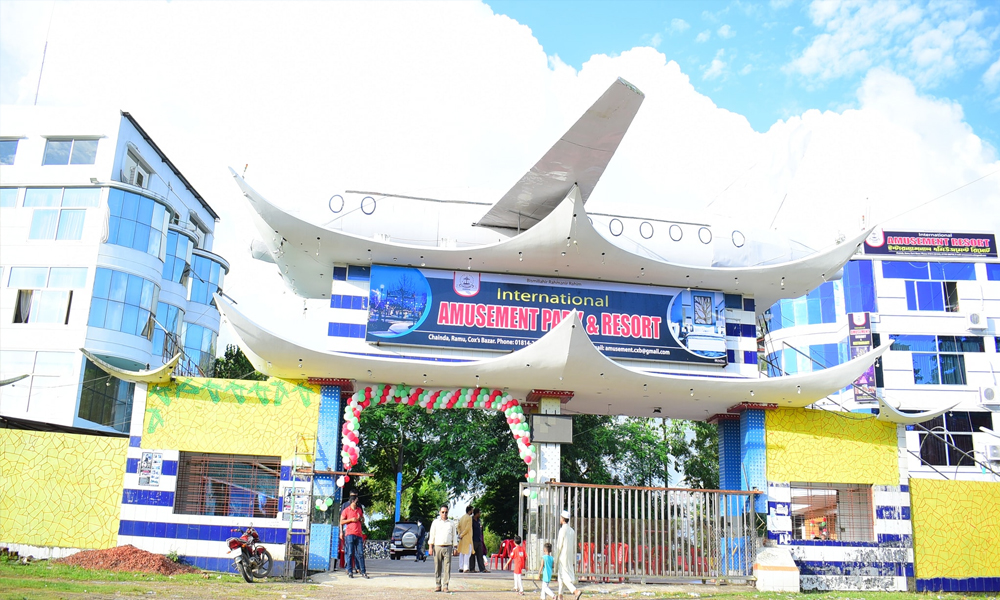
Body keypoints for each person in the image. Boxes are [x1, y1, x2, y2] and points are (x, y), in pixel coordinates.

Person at [339, 490, 369, 579]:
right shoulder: (345, 509)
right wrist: (351, 520)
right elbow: (341, 521)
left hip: (359, 534)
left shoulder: (359, 509)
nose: (357, 502)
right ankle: (349, 570)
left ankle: (363, 571)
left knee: (360, 553)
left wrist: (361, 519)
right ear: (352, 501)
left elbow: (363, 520)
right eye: (356, 500)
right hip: (349, 533)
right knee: (350, 553)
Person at [429, 505, 458, 592]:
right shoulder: (435, 522)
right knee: (437, 566)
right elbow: (432, 535)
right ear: (439, 513)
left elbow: (454, 536)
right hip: (437, 546)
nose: (444, 514)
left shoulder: (451, 523)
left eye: (446, 512)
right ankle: (438, 584)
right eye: (442, 512)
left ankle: (445, 585)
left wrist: (455, 547)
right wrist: (430, 546)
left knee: (447, 567)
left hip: (448, 546)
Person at [554, 510, 581, 600]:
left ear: (562, 519)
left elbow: (559, 545)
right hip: (569, 556)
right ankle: (560, 595)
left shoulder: (562, 530)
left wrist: (556, 558)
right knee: (561, 576)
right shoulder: (572, 531)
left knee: (564, 576)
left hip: (562, 556)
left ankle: (575, 591)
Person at [469, 508, 489, 573]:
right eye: (479, 513)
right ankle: (472, 569)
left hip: (479, 540)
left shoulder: (479, 521)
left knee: (480, 555)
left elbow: (481, 530)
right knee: (472, 555)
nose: (480, 514)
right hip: (473, 540)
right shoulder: (471, 520)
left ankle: (482, 569)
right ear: (476, 513)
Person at [457, 505, 474, 572]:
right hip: (467, 537)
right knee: (467, 553)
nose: (472, 511)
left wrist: (459, 534)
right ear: (470, 510)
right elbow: (468, 528)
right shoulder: (469, 518)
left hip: (462, 538)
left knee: (462, 553)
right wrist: (462, 534)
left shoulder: (462, 517)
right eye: (472, 510)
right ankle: (465, 567)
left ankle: (461, 567)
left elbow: (458, 526)